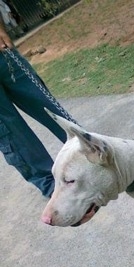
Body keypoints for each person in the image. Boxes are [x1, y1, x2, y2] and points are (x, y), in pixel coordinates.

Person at [0, 14, 77, 198]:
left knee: (46, 105)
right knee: (11, 132)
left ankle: (89, 152)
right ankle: (53, 186)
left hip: (3, 57)